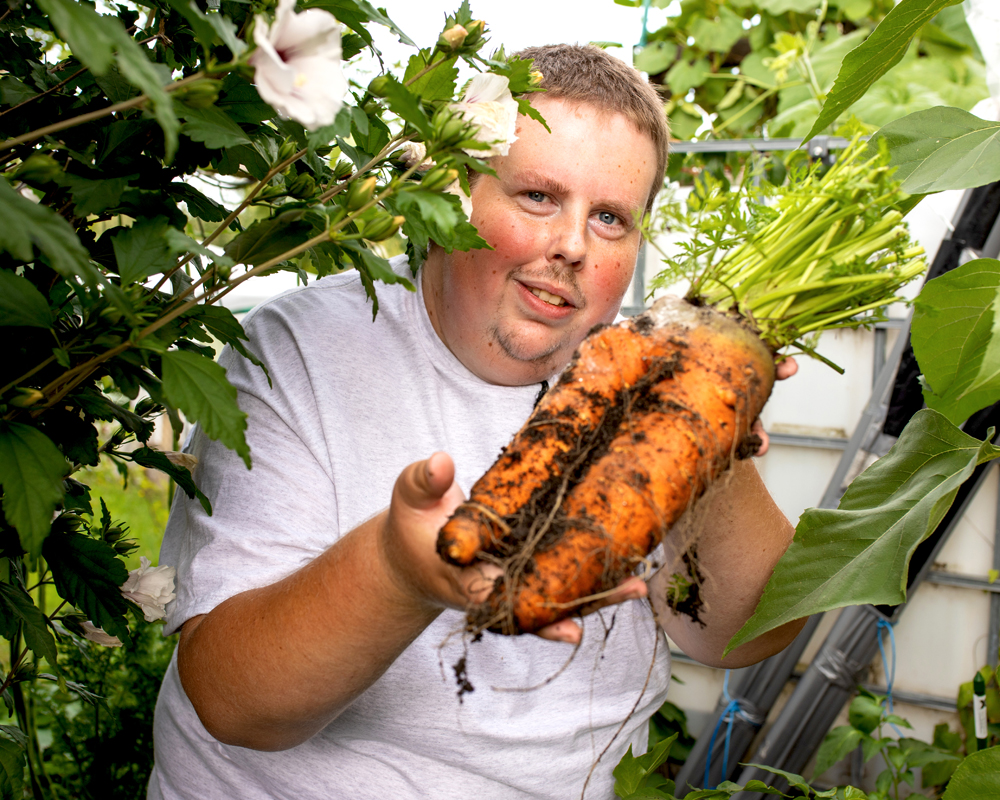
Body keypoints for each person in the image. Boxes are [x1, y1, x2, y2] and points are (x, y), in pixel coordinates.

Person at [148, 44, 803, 800]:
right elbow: (234, 703)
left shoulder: (649, 375)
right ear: (454, 193)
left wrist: (709, 438)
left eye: (610, 218)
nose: (572, 245)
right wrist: (395, 572)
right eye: (538, 196)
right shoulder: (304, 346)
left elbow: (740, 638)